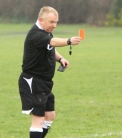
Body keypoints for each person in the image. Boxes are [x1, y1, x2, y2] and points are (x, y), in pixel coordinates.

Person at [18, 6, 82, 138]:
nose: (54, 25)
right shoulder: (35, 34)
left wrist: (60, 59)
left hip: (45, 82)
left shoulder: (46, 32)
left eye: (56, 22)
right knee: (38, 120)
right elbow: (52, 42)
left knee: (50, 116)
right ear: (41, 20)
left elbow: (50, 46)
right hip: (33, 81)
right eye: (51, 22)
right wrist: (69, 41)